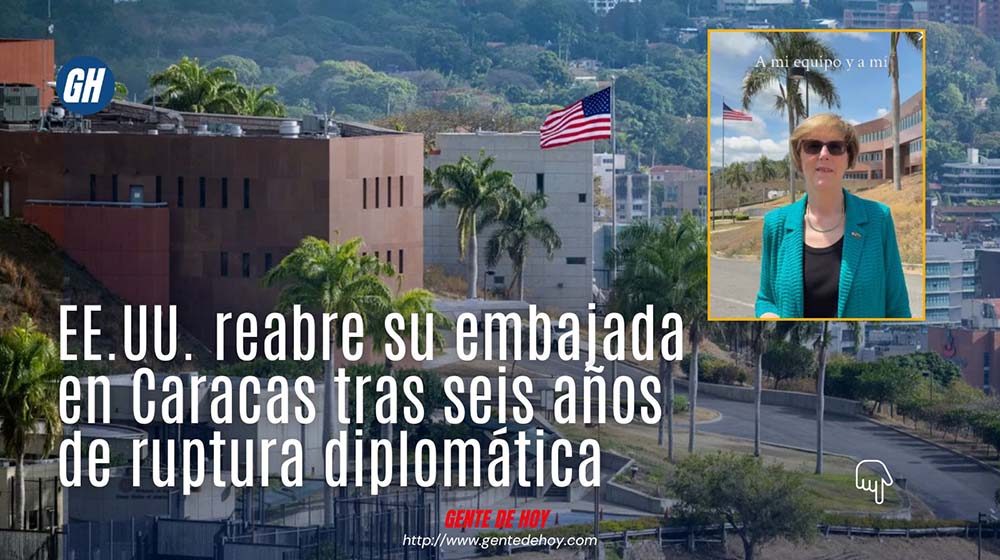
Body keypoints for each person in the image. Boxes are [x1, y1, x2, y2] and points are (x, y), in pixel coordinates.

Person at [755, 113, 910, 319]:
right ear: (799, 157)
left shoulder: (878, 219)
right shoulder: (776, 224)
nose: (824, 154)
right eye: (813, 146)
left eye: (835, 147)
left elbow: (897, 307)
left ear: (849, 158)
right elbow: (766, 298)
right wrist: (769, 317)